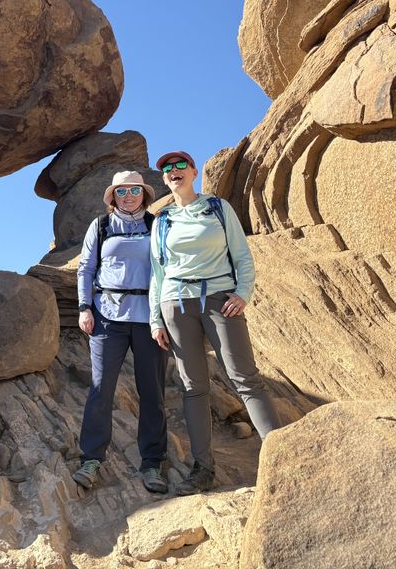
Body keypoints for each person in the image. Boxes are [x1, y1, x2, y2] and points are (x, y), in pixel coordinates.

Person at [149, 150, 281, 496]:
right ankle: (202, 468)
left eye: (180, 166)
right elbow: (158, 274)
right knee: (193, 387)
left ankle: (282, 455)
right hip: (176, 304)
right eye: (166, 169)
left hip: (219, 299)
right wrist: (155, 320)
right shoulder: (161, 221)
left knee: (245, 378)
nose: (173, 171)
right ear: (164, 179)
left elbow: (241, 255)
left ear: (193, 171)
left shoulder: (217, 208)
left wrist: (243, 293)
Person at [73, 171, 169, 494]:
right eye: (122, 191)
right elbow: (86, 268)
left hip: (148, 318)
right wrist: (85, 307)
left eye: (134, 190)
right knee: (101, 389)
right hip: (107, 318)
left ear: (144, 194)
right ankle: (91, 459)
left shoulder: (156, 225)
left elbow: (169, 267)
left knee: (152, 390)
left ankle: (153, 463)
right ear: (113, 196)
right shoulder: (100, 227)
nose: (128, 195)